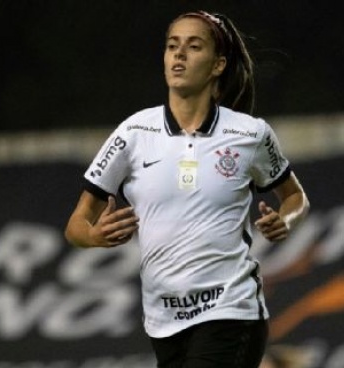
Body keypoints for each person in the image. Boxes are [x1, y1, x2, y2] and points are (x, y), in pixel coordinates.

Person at [64, 10, 310, 368]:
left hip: (231, 310)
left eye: (194, 47)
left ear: (217, 65)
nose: (179, 55)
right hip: (163, 320)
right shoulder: (134, 133)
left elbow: (295, 196)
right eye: (172, 46)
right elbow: (76, 226)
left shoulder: (250, 134)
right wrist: (94, 235)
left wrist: (286, 221)